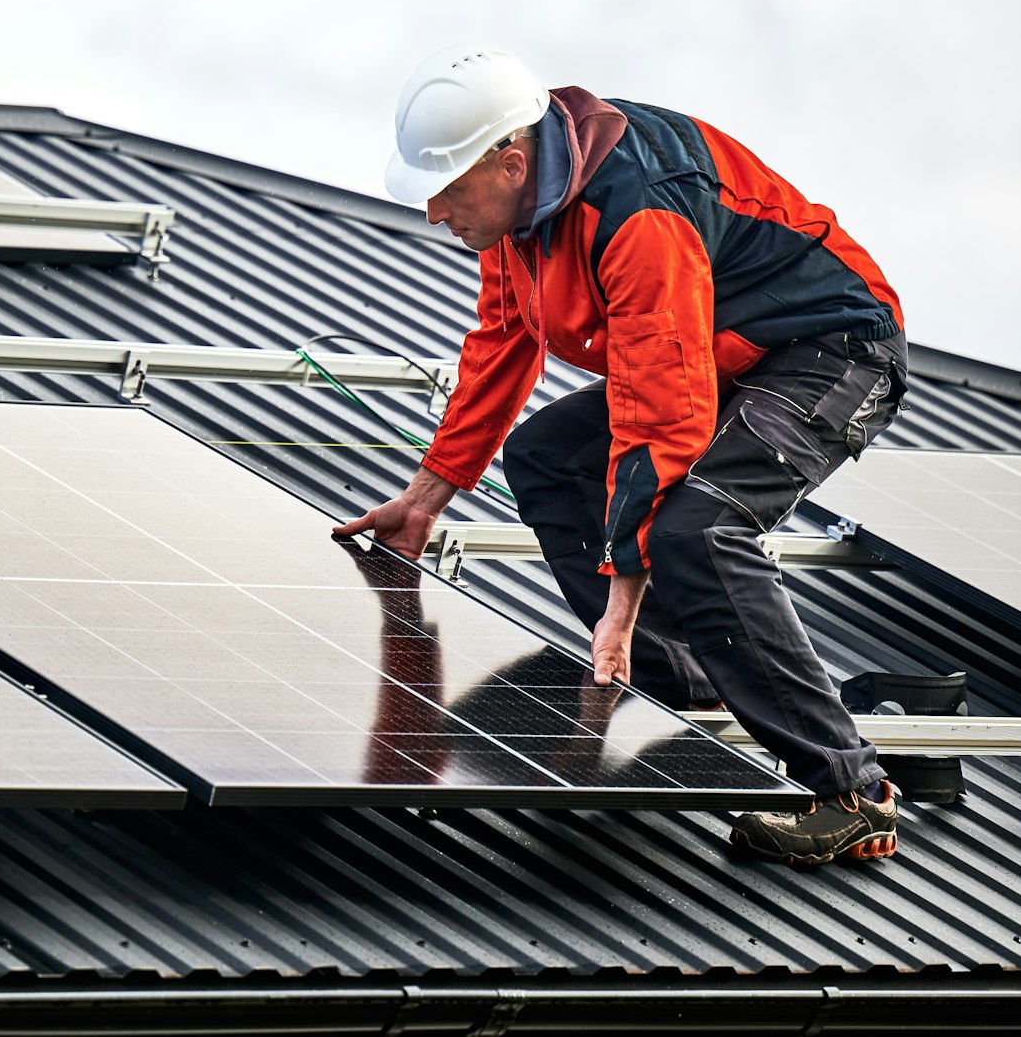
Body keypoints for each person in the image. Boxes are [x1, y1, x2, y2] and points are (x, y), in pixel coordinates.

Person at [336, 43, 909, 866]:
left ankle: (854, 792)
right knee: (544, 454)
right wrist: (425, 499)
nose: (433, 212)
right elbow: (504, 343)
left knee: (696, 529)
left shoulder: (638, 213)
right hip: (725, 353)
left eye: (448, 190)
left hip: (832, 349)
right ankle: (686, 677)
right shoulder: (520, 212)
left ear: (508, 162)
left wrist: (622, 597)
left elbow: (661, 412)